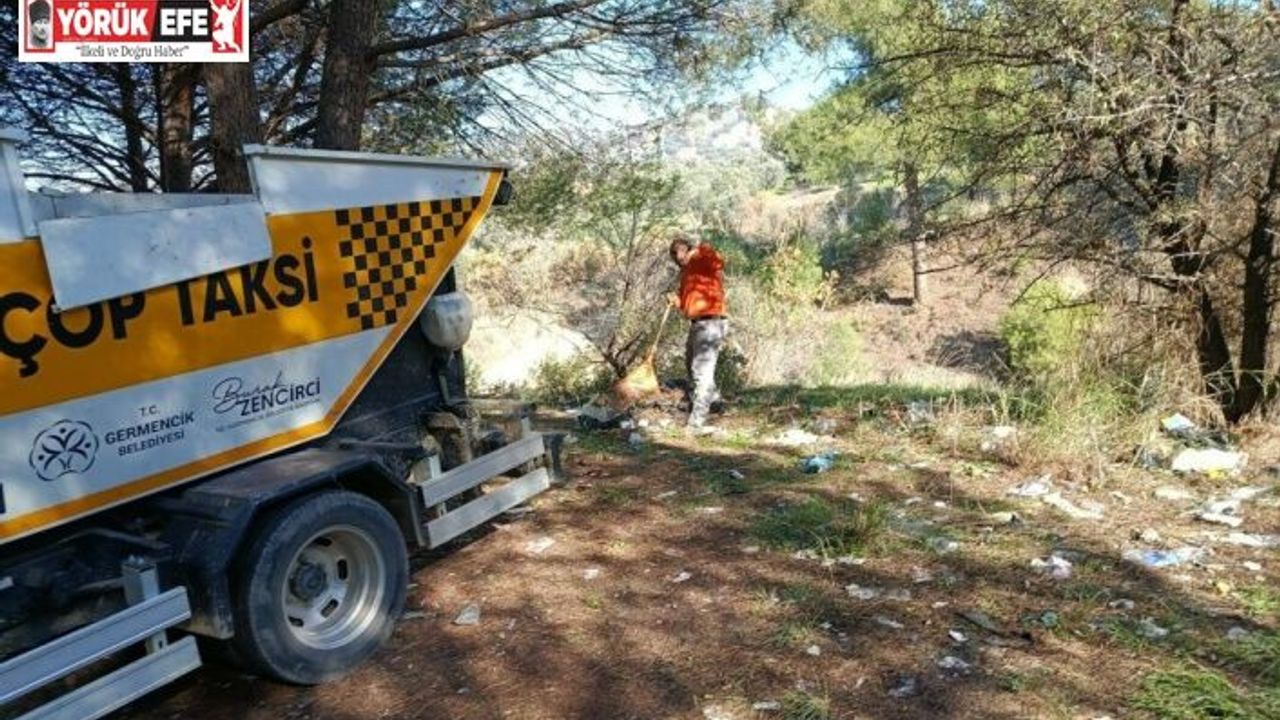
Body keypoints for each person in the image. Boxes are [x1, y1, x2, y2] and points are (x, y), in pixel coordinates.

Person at [668, 235, 727, 430]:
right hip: (697, 324)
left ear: (685, 251)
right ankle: (715, 401)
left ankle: (696, 423)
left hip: (710, 322)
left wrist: (697, 250)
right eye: (675, 258)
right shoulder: (687, 273)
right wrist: (676, 300)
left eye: (678, 255)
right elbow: (687, 306)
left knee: (701, 372)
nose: (678, 261)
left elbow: (718, 260)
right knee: (691, 364)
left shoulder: (703, 258)